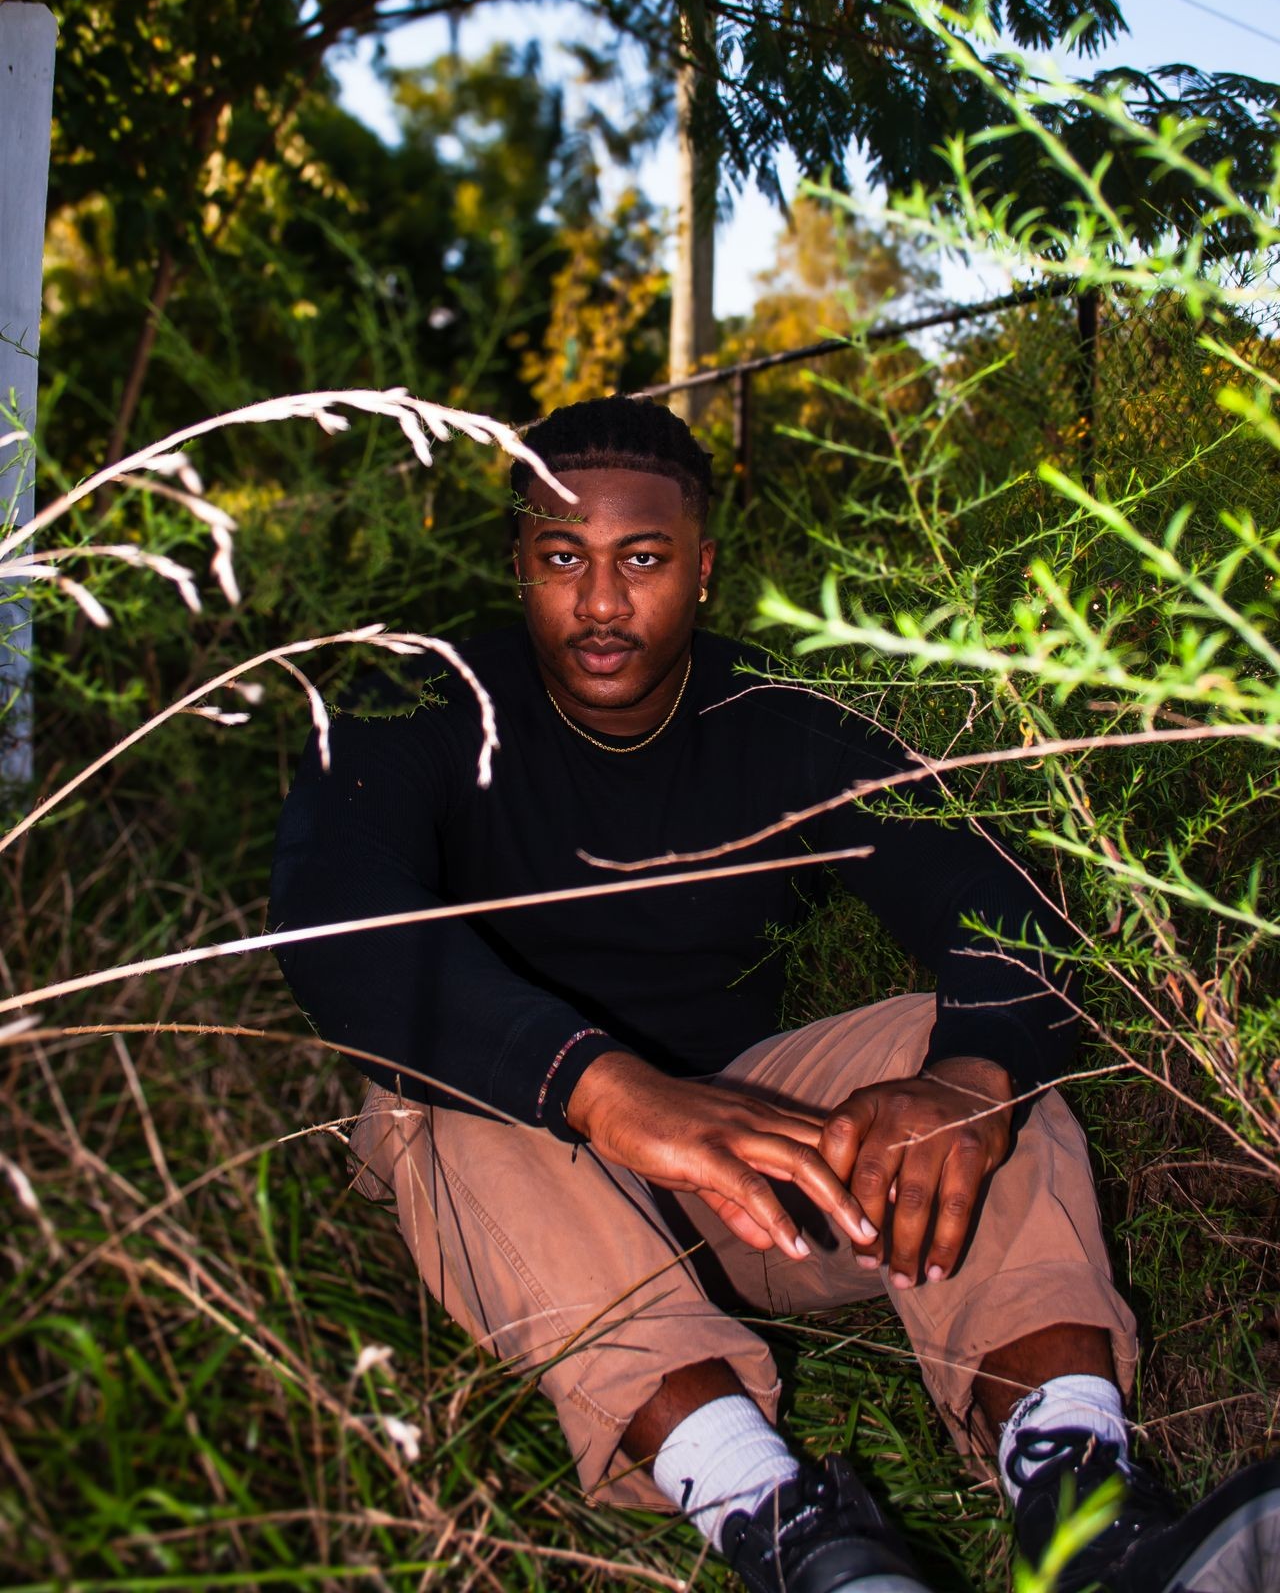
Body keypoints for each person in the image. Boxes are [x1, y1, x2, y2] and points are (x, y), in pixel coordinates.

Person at [269, 397, 1277, 1593]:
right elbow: (337, 924)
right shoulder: (419, 705)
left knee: (956, 1051)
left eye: (640, 559)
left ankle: (1084, 1514)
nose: (599, 603)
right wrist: (600, 1090)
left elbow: (993, 897)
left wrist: (967, 1074)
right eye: (561, 560)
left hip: (753, 1180)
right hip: (529, 1181)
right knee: (432, 1097)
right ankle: (793, 1532)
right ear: (517, 568)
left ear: (701, 569)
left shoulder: (781, 722)